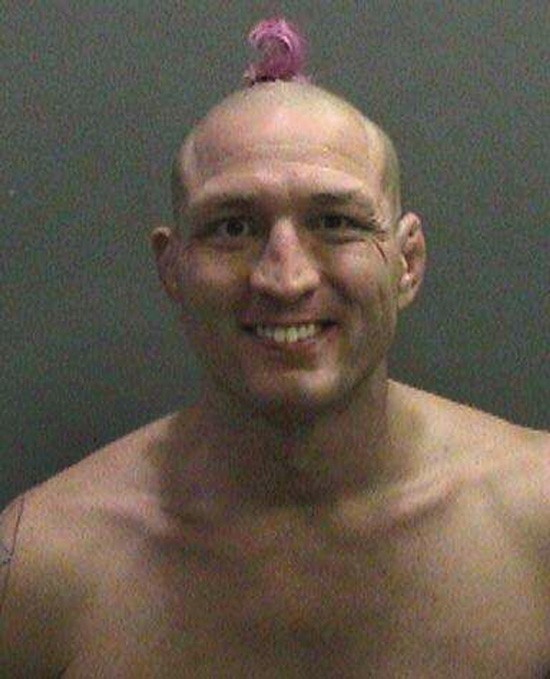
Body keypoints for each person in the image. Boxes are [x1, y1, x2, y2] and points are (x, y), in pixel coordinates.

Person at [1, 17, 549, 678]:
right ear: (172, 268)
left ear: (407, 262)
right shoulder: (44, 569)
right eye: (233, 227)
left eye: (334, 222)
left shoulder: (537, 522)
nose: (286, 279)